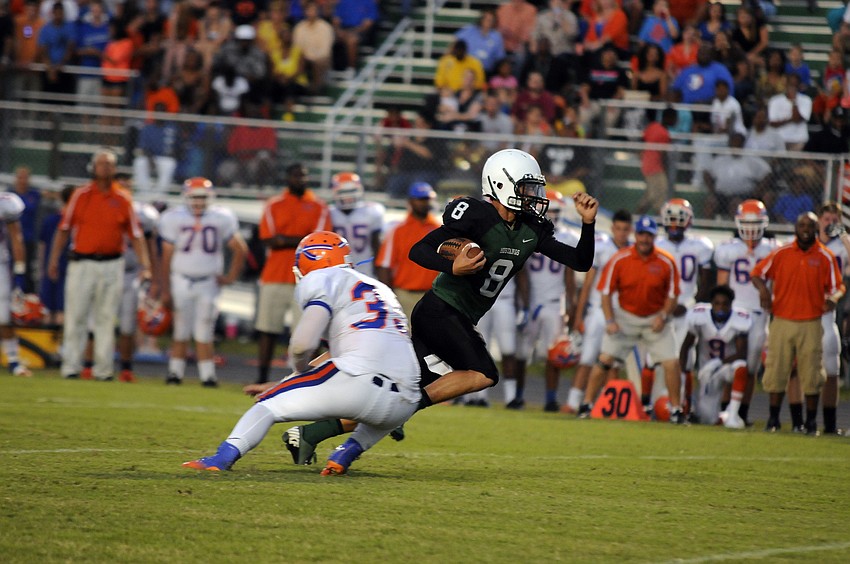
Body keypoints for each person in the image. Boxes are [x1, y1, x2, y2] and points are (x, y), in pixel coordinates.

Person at [183, 231, 420, 476]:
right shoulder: (381, 289)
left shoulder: (321, 277)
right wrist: (291, 382)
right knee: (382, 411)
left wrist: (299, 371)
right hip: (406, 399)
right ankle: (345, 453)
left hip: (357, 381)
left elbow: (302, 345)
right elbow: (351, 350)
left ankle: (221, 458)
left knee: (266, 406)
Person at [408, 149, 597, 408]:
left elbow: (580, 261)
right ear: (500, 184)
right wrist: (452, 267)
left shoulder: (531, 228)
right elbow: (418, 250)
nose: (533, 195)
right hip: (440, 309)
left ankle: (389, 414)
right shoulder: (476, 215)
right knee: (484, 373)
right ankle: (406, 406)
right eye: (526, 188)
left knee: (411, 382)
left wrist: (588, 224)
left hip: (461, 315)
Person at [46, 149, 152, 381]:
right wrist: (53, 259)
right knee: (76, 315)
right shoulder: (81, 195)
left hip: (112, 263)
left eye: (109, 164)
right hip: (82, 262)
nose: (105, 167)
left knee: (106, 317)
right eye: (101, 163)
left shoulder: (122, 198)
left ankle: (103, 369)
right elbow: (64, 229)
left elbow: (136, 235)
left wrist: (145, 265)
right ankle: (71, 366)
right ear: (93, 168)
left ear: (115, 169)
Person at [580, 215, 683, 423]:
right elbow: (605, 292)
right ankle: (586, 404)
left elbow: (673, 295)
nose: (645, 239)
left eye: (649, 235)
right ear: (636, 235)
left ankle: (676, 410)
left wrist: (664, 316)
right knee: (604, 359)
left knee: (671, 362)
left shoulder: (666, 261)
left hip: (655, 317)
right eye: (642, 234)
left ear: (654, 237)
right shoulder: (620, 258)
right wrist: (610, 320)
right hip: (625, 317)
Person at [751, 212, 844, 434]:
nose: (805, 229)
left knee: (812, 373)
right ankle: (773, 419)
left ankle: (810, 422)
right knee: (776, 370)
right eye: (801, 225)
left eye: (810, 226)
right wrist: (763, 290)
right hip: (782, 319)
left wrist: (833, 298)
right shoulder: (781, 253)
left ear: (816, 229)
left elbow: (838, 286)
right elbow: (757, 273)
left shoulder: (825, 256)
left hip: (811, 321)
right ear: (795, 228)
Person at [159, 178, 247, 387]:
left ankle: (207, 376)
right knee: (181, 328)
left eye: (202, 197)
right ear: (186, 197)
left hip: (208, 281)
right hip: (181, 279)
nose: (198, 202)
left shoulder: (221, 217)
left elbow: (240, 249)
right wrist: (165, 288)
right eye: (194, 197)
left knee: (204, 329)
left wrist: (230, 277)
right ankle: (175, 373)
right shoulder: (174, 217)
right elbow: (166, 255)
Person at [254, 163, 332, 384]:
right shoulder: (274, 205)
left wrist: (285, 239)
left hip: (308, 278)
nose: (301, 180)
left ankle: (305, 380)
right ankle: (262, 378)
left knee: (307, 334)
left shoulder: (318, 206)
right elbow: (269, 239)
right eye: (297, 176)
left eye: (304, 176)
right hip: (276, 274)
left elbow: (319, 242)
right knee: (268, 329)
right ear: (287, 178)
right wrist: (302, 239)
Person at [713, 199, 775, 425]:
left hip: (759, 313)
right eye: (746, 223)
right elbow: (722, 287)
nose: (750, 229)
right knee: (731, 363)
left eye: (755, 223)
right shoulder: (728, 249)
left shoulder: (772, 249)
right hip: (735, 312)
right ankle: (723, 410)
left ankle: (742, 413)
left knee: (750, 366)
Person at [564, 209, 632, 414]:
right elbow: (587, 284)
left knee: (613, 362)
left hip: (620, 313)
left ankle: (608, 405)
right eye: (618, 228)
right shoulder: (601, 246)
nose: (621, 233)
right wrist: (579, 316)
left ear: (630, 230)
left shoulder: (633, 251)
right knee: (587, 357)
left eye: (625, 229)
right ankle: (573, 402)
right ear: (612, 228)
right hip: (597, 310)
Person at [516, 191, 578, 411]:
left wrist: (571, 305)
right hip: (531, 301)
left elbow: (569, 276)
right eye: (549, 210)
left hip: (553, 303)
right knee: (521, 353)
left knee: (554, 353)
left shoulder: (568, 237)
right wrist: (522, 304)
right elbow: (520, 271)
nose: (551, 215)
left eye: (556, 211)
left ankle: (551, 399)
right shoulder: (527, 233)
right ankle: (517, 396)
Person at [652, 198, 715, 413]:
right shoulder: (657, 245)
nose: (674, 225)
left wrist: (690, 304)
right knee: (654, 359)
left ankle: (685, 404)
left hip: (688, 309)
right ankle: (650, 404)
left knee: (685, 360)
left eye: (679, 220)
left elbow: (705, 283)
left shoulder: (700, 246)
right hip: (661, 309)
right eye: (671, 219)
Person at [678, 285, 750, 428]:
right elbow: (686, 346)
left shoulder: (739, 319)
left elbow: (742, 353)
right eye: (717, 303)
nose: (720, 307)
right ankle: (724, 416)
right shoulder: (699, 316)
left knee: (741, 367)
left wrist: (718, 363)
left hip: (726, 367)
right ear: (711, 303)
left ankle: (733, 415)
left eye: (725, 304)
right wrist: (681, 374)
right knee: (707, 419)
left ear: (731, 304)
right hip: (707, 372)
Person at [810, 203, 850, 435]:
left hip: (828, 312)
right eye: (826, 219)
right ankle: (801, 421)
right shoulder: (807, 242)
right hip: (804, 311)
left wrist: (844, 235)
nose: (830, 224)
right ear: (818, 221)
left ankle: (830, 424)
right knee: (800, 369)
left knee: (832, 368)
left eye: (834, 220)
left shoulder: (841, 246)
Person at [375, 182, 440, 319]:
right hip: (405, 295)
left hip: (433, 294)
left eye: (427, 199)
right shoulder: (398, 231)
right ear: (411, 201)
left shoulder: (439, 229)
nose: (425, 203)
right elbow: (384, 265)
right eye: (421, 199)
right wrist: (388, 297)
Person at [328, 172, 385, 279]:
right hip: (338, 270)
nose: (347, 195)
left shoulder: (371, 211)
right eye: (343, 191)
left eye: (351, 191)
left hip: (365, 271)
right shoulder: (328, 213)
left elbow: (377, 245)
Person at [0, 191, 32, 377]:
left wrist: (19, 272)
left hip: (0, 264)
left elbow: (16, 237)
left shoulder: (5, 202)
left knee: (4, 317)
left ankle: (13, 361)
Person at [637, 108, 677, 215]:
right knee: (659, 197)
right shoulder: (664, 133)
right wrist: (666, 170)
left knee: (649, 197)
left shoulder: (653, 126)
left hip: (647, 166)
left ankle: (635, 217)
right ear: (669, 118)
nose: (676, 121)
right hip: (656, 169)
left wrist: (642, 155)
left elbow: (642, 139)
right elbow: (663, 155)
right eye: (675, 118)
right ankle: (660, 220)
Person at [9, 165, 41, 294]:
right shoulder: (10, 195)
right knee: (11, 267)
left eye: (25, 177)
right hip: (11, 240)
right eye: (20, 177)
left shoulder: (34, 194)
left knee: (26, 269)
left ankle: (25, 293)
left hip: (28, 239)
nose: (22, 180)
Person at [767, 73, 812, 151]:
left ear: (799, 86)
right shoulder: (775, 100)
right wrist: (790, 119)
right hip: (779, 139)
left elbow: (797, 119)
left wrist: (794, 102)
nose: (793, 88)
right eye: (791, 85)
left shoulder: (806, 100)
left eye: (795, 85)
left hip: (798, 140)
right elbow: (773, 123)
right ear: (786, 85)